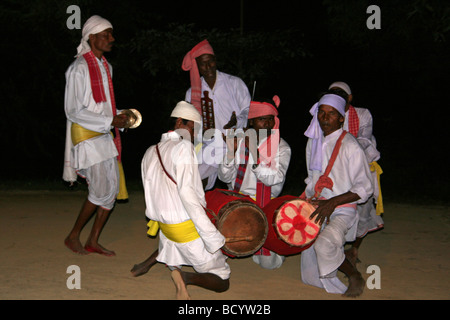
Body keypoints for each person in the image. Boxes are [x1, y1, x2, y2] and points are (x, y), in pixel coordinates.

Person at [133, 101, 230, 300]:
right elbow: (188, 195)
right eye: (193, 129)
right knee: (222, 281)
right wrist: (213, 237)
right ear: (180, 122)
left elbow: (152, 194)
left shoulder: (150, 151)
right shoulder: (184, 147)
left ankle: (149, 264)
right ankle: (185, 277)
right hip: (185, 230)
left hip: (166, 228)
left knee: (173, 243)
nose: (195, 136)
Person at [63, 16, 130, 256]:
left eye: (111, 34)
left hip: (104, 134)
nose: (112, 39)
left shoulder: (106, 66)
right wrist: (109, 120)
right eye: (106, 34)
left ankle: (93, 239)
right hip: (87, 135)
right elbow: (73, 110)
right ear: (91, 38)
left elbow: (102, 107)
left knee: (110, 191)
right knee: (100, 190)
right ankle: (73, 236)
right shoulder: (78, 68)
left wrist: (121, 116)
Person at [300, 93, 373, 297]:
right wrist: (306, 199)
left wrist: (333, 202)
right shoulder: (313, 143)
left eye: (331, 114)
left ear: (341, 117)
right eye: (322, 113)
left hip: (342, 208)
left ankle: (354, 275)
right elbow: (312, 179)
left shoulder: (350, 145)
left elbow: (365, 188)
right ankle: (336, 260)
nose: (325, 118)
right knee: (309, 274)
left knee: (324, 244)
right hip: (319, 206)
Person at [218, 96, 291, 269]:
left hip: (264, 204)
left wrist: (255, 154)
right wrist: (230, 152)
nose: (267, 124)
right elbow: (224, 178)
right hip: (237, 200)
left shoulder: (282, 147)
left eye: (270, 119)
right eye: (261, 119)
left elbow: (274, 178)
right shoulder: (239, 141)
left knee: (268, 264)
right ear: (251, 122)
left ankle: (276, 248)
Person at [182, 39, 251, 190]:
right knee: (196, 179)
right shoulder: (192, 92)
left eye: (210, 62)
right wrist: (201, 132)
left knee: (237, 188)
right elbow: (190, 122)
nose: (208, 67)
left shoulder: (234, 83)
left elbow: (248, 110)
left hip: (236, 142)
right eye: (202, 64)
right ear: (197, 67)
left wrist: (237, 121)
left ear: (215, 60)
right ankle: (197, 211)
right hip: (210, 144)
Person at [328, 82, 384, 266]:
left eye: (340, 93)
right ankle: (333, 249)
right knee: (334, 209)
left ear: (349, 98)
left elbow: (364, 140)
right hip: (334, 170)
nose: (336, 95)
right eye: (332, 93)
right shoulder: (325, 113)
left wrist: (345, 153)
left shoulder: (362, 114)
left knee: (363, 210)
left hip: (362, 167)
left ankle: (354, 250)